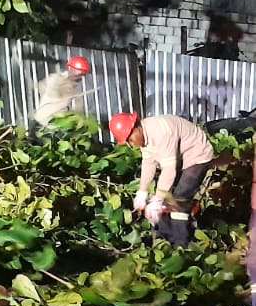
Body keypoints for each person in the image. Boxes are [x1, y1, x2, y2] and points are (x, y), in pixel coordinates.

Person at [109, 112, 216, 246]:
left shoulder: (162, 133)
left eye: (130, 140)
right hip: (182, 158)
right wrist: (142, 191)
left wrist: (158, 199)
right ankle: (166, 239)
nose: (132, 145)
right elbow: (149, 163)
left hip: (198, 154)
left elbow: (169, 170)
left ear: (136, 128)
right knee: (166, 202)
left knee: (178, 200)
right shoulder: (145, 137)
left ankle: (181, 245)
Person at [33, 55, 91, 129]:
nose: (80, 78)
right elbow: (50, 92)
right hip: (43, 122)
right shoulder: (56, 79)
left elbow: (78, 109)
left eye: (83, 75)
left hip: (57, 125)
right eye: (79, 74)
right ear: (71, 69)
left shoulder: (75, 89)